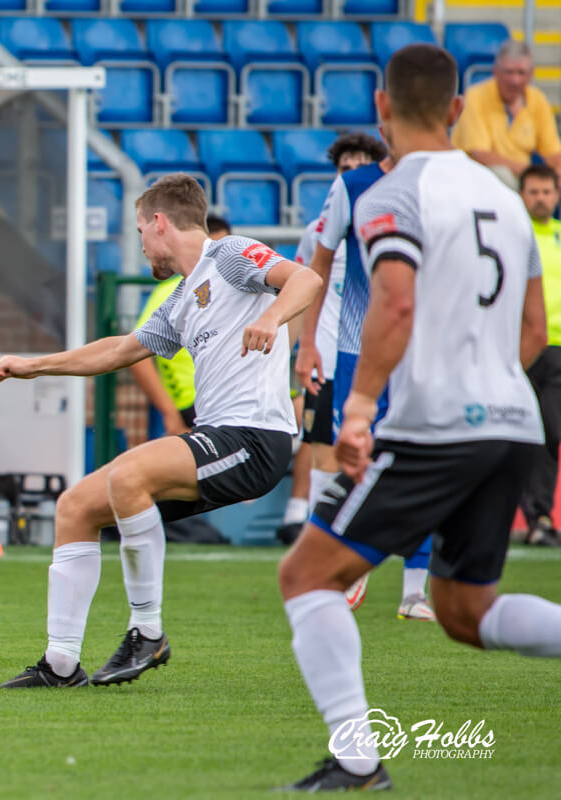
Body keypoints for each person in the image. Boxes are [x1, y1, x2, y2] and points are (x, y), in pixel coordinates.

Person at [277, 43, 561, 792]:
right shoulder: (507, 193)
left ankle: (357, 760)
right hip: (513, 421)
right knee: (465, 610)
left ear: (381, 108)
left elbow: (395, 304)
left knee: (307, 574)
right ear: (459, 108)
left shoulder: (388, 195)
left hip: (439, 422)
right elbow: (533, 329)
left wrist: (361, 407)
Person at [0, 174, 321, 689]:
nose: (141, 243)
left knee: (129, 473)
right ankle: (60, 664)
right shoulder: (183, 296)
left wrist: (273, 317)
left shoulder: (229, 254)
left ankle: (147, 633)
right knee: (75, 506)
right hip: (218, 438)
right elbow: (120, 350)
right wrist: (35, 365)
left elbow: (306, 279)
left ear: (159, 223)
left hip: (255, 438)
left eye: (141, 230)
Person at [297, 126, 435, 621]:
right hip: (356, 352)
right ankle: (348, 564)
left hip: (424, 352)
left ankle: (414, 592)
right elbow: (318, 265)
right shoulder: (351, 188)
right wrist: (308, 342)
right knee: (354, 458)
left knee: (424, 461)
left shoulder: (440, 185)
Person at [277, 133, 387, 547]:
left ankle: (373, 536)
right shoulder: (317, 233)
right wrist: (297, 351)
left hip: (375, 353)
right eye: (345, 169)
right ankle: (323, 538)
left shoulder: (388, 226)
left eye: (360, 167)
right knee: (323, 446)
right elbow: (304, 294)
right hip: (327, 353)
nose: (352, 175)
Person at [127, 214, 231, 440]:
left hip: (235, 395)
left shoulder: (238, 283)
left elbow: (302, 281)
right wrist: (169, 411)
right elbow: (136, 353)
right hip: (193, 403)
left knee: (302, 408)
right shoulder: (173, 291)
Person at [518, 164, 561, 546]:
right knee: (518, 433)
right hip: (519, 346)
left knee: (551, 432)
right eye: (533, 191)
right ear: (522, 195)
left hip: (558, 348)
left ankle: (541, 518)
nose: (541, 198)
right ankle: (533, 518)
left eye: (546, 191)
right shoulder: (513, 235)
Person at [452, 40, 561, 186]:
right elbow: (479, 154)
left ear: (531, 75)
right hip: (479, 175)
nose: (515, 80)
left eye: (521, 73)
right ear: (495, 71)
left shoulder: (537, 99)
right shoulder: (475, 96)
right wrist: (529, 173)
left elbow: (552, 150)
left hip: (524, 179)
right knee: (503, 176)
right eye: (509, 72)